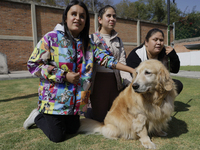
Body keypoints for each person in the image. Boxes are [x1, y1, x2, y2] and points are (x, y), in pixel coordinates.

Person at [23, 0, 135, 143]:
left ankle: (59, 120)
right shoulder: (51, 38)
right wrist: (64, 76)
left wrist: (131, 70)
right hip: (53, 102)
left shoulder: (88, 44)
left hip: (74, 103)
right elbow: (33, 65)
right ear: (65, 17)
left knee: (73, 129)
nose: (78, 18)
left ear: (86, 21)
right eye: (73, 14)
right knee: (58, 137)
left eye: (82, 16)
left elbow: (108, 60)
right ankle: (38, 117)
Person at [126, 28, 183, 136]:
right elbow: (133, 78)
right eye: (155, 39)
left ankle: (162, 113)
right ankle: (145, 115)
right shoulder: (136, 54)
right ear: (146, 42)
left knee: (177, 84)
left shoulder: (164, 53)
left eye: (161, 40)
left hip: (156, 86)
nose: (158, 43)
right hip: (137, 85)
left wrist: (173, 55)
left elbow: (175, 70)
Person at [84, 5, 132, 122]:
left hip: (114, 83)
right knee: (100, 119)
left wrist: (128, 82)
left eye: (114, 16)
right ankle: (89, 112)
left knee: (117, 116)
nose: (112, 19)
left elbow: (122, 62)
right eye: (108, 16)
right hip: (98, 83)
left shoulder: (118, 41)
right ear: (100, 19)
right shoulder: (91, 39)